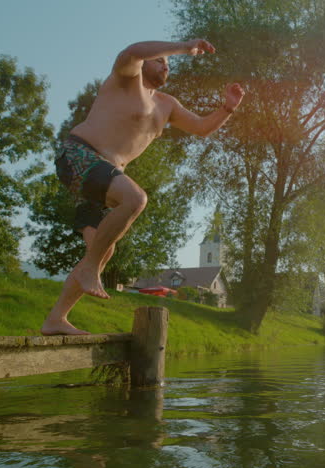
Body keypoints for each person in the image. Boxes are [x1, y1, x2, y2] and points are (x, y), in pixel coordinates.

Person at [41, 39, 244, 335]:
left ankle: (56, 319)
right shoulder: (125, 78)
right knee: (136, 199)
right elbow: (132, 52)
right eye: (160, 60)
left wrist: (228, 108)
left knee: (103, 249)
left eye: (168, 64)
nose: (165, 66)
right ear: (145, 62)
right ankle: (88, 272)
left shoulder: (167, 104)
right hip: (78, 155)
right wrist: (185, 47)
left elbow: (201, 128)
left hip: (104, 178)